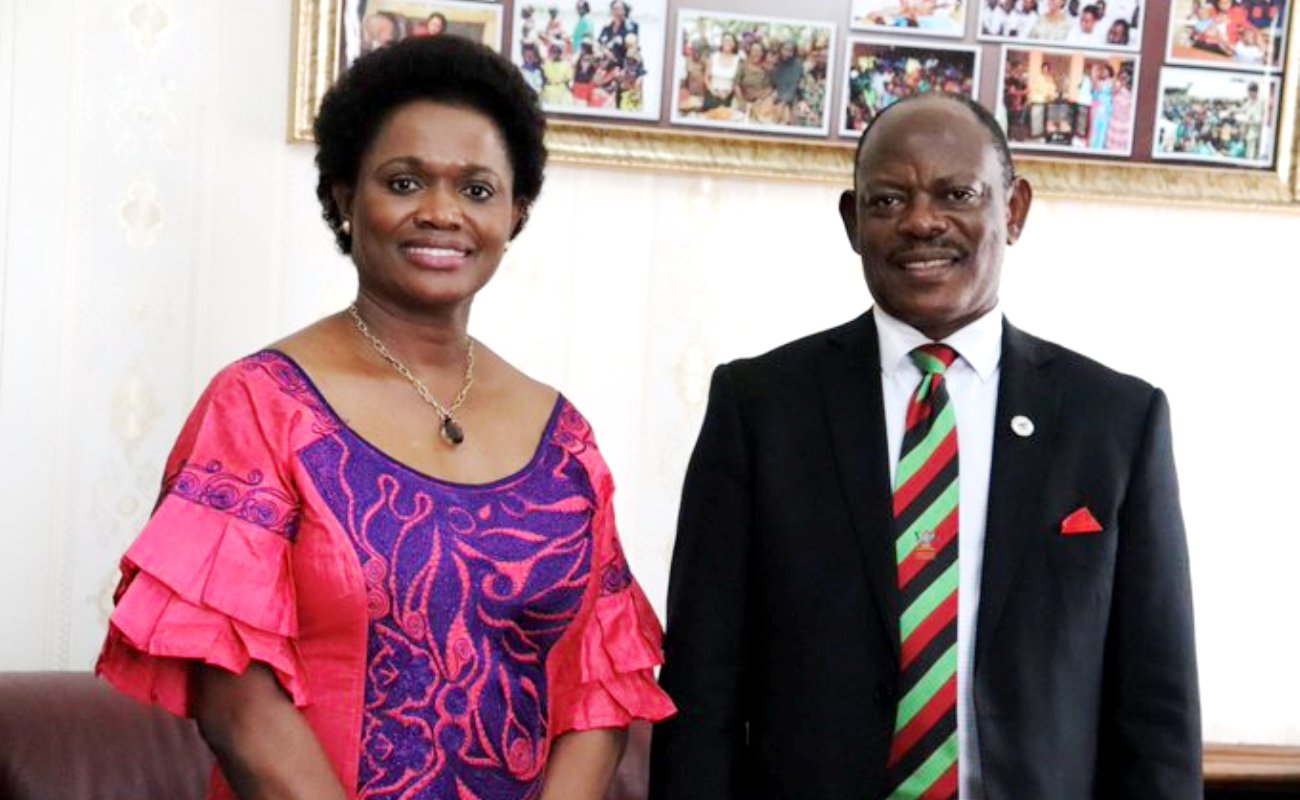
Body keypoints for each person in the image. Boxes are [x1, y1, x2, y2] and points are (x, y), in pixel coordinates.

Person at [96, 35, 675, 800]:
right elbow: (235, 701)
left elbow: (598, 687)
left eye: (476, 189)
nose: (441, 213)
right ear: (345, 197)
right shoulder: (260, 408)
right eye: (405, 182)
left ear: (516, 211)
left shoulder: (563, 438)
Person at [649, 92, 1199, 799]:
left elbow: (1158, 706)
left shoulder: (1116, 421)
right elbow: (702, 686)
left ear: (1015, 209)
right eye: (886, 201)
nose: (921, 222)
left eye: (956, 193)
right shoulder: (760, 408)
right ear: (852, 223)